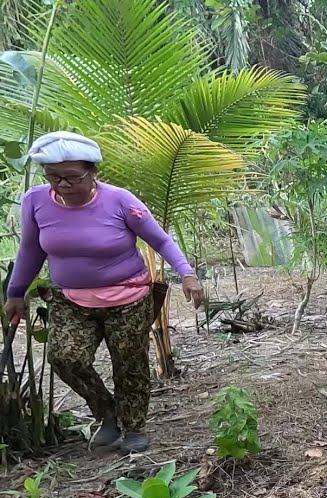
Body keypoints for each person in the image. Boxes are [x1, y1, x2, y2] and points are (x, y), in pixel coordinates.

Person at [4, 131, 204, 454]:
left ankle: (134, 427)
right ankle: (106, 412)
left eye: (72, 177)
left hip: (128, 299)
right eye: (54, 177)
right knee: (64, 357)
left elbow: (160, 240)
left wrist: (188, 274)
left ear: (93, 172)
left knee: (129, 363)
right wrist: (15, 292)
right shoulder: (35, 202)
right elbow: (29, 250)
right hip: (71, 299)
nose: (62, 185)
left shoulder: (120, 201)